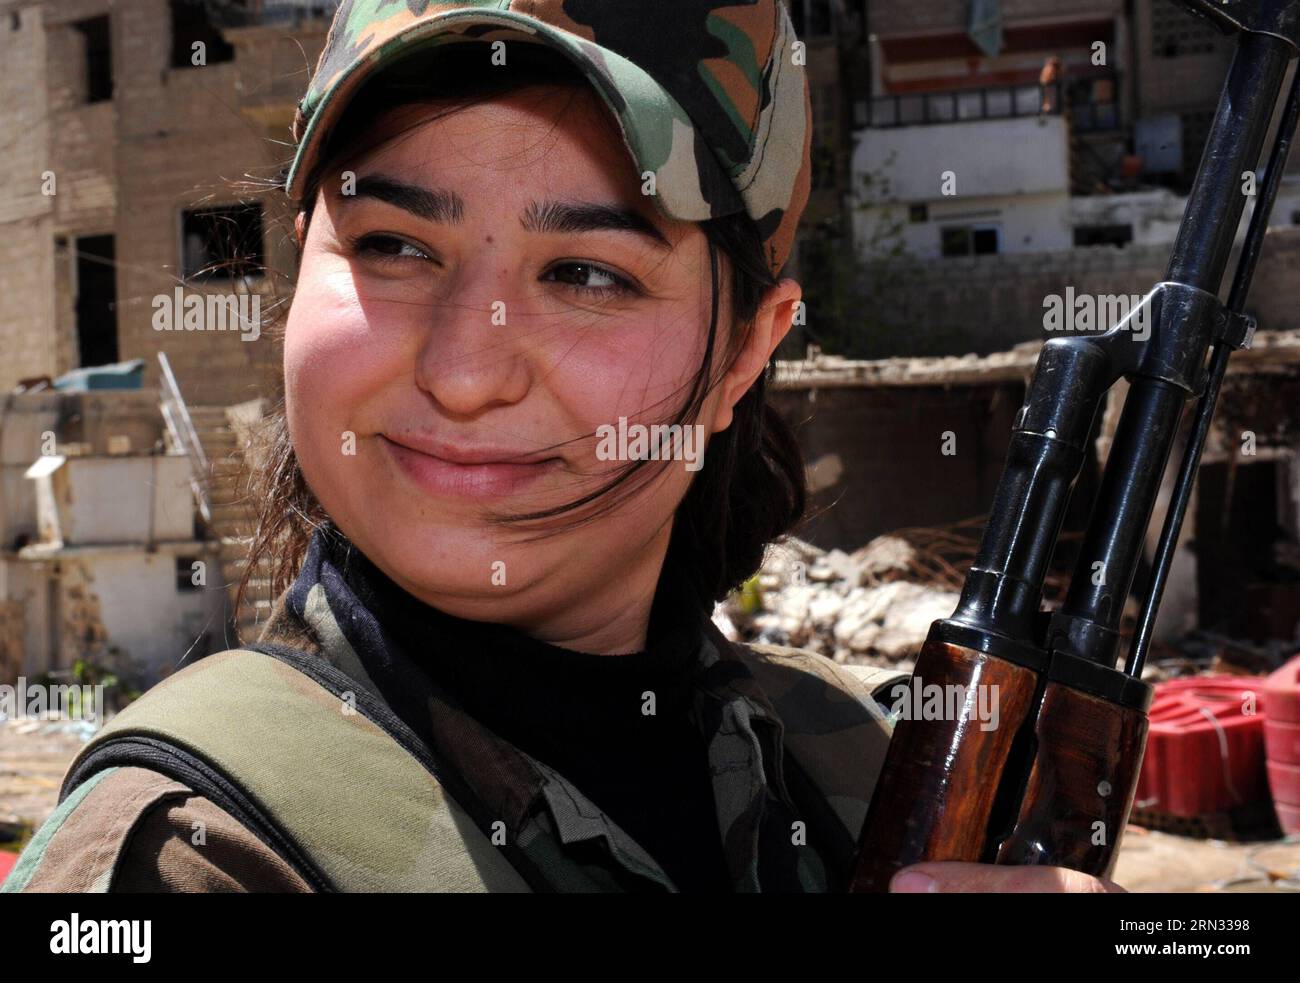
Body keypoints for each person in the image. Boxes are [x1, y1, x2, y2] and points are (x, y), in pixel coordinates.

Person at [2, 1, 1121, 894]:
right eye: (391, 245)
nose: (464, 369)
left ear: (745, 354)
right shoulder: (183, 852)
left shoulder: (849, 766)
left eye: (586, 274)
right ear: (300, 269)